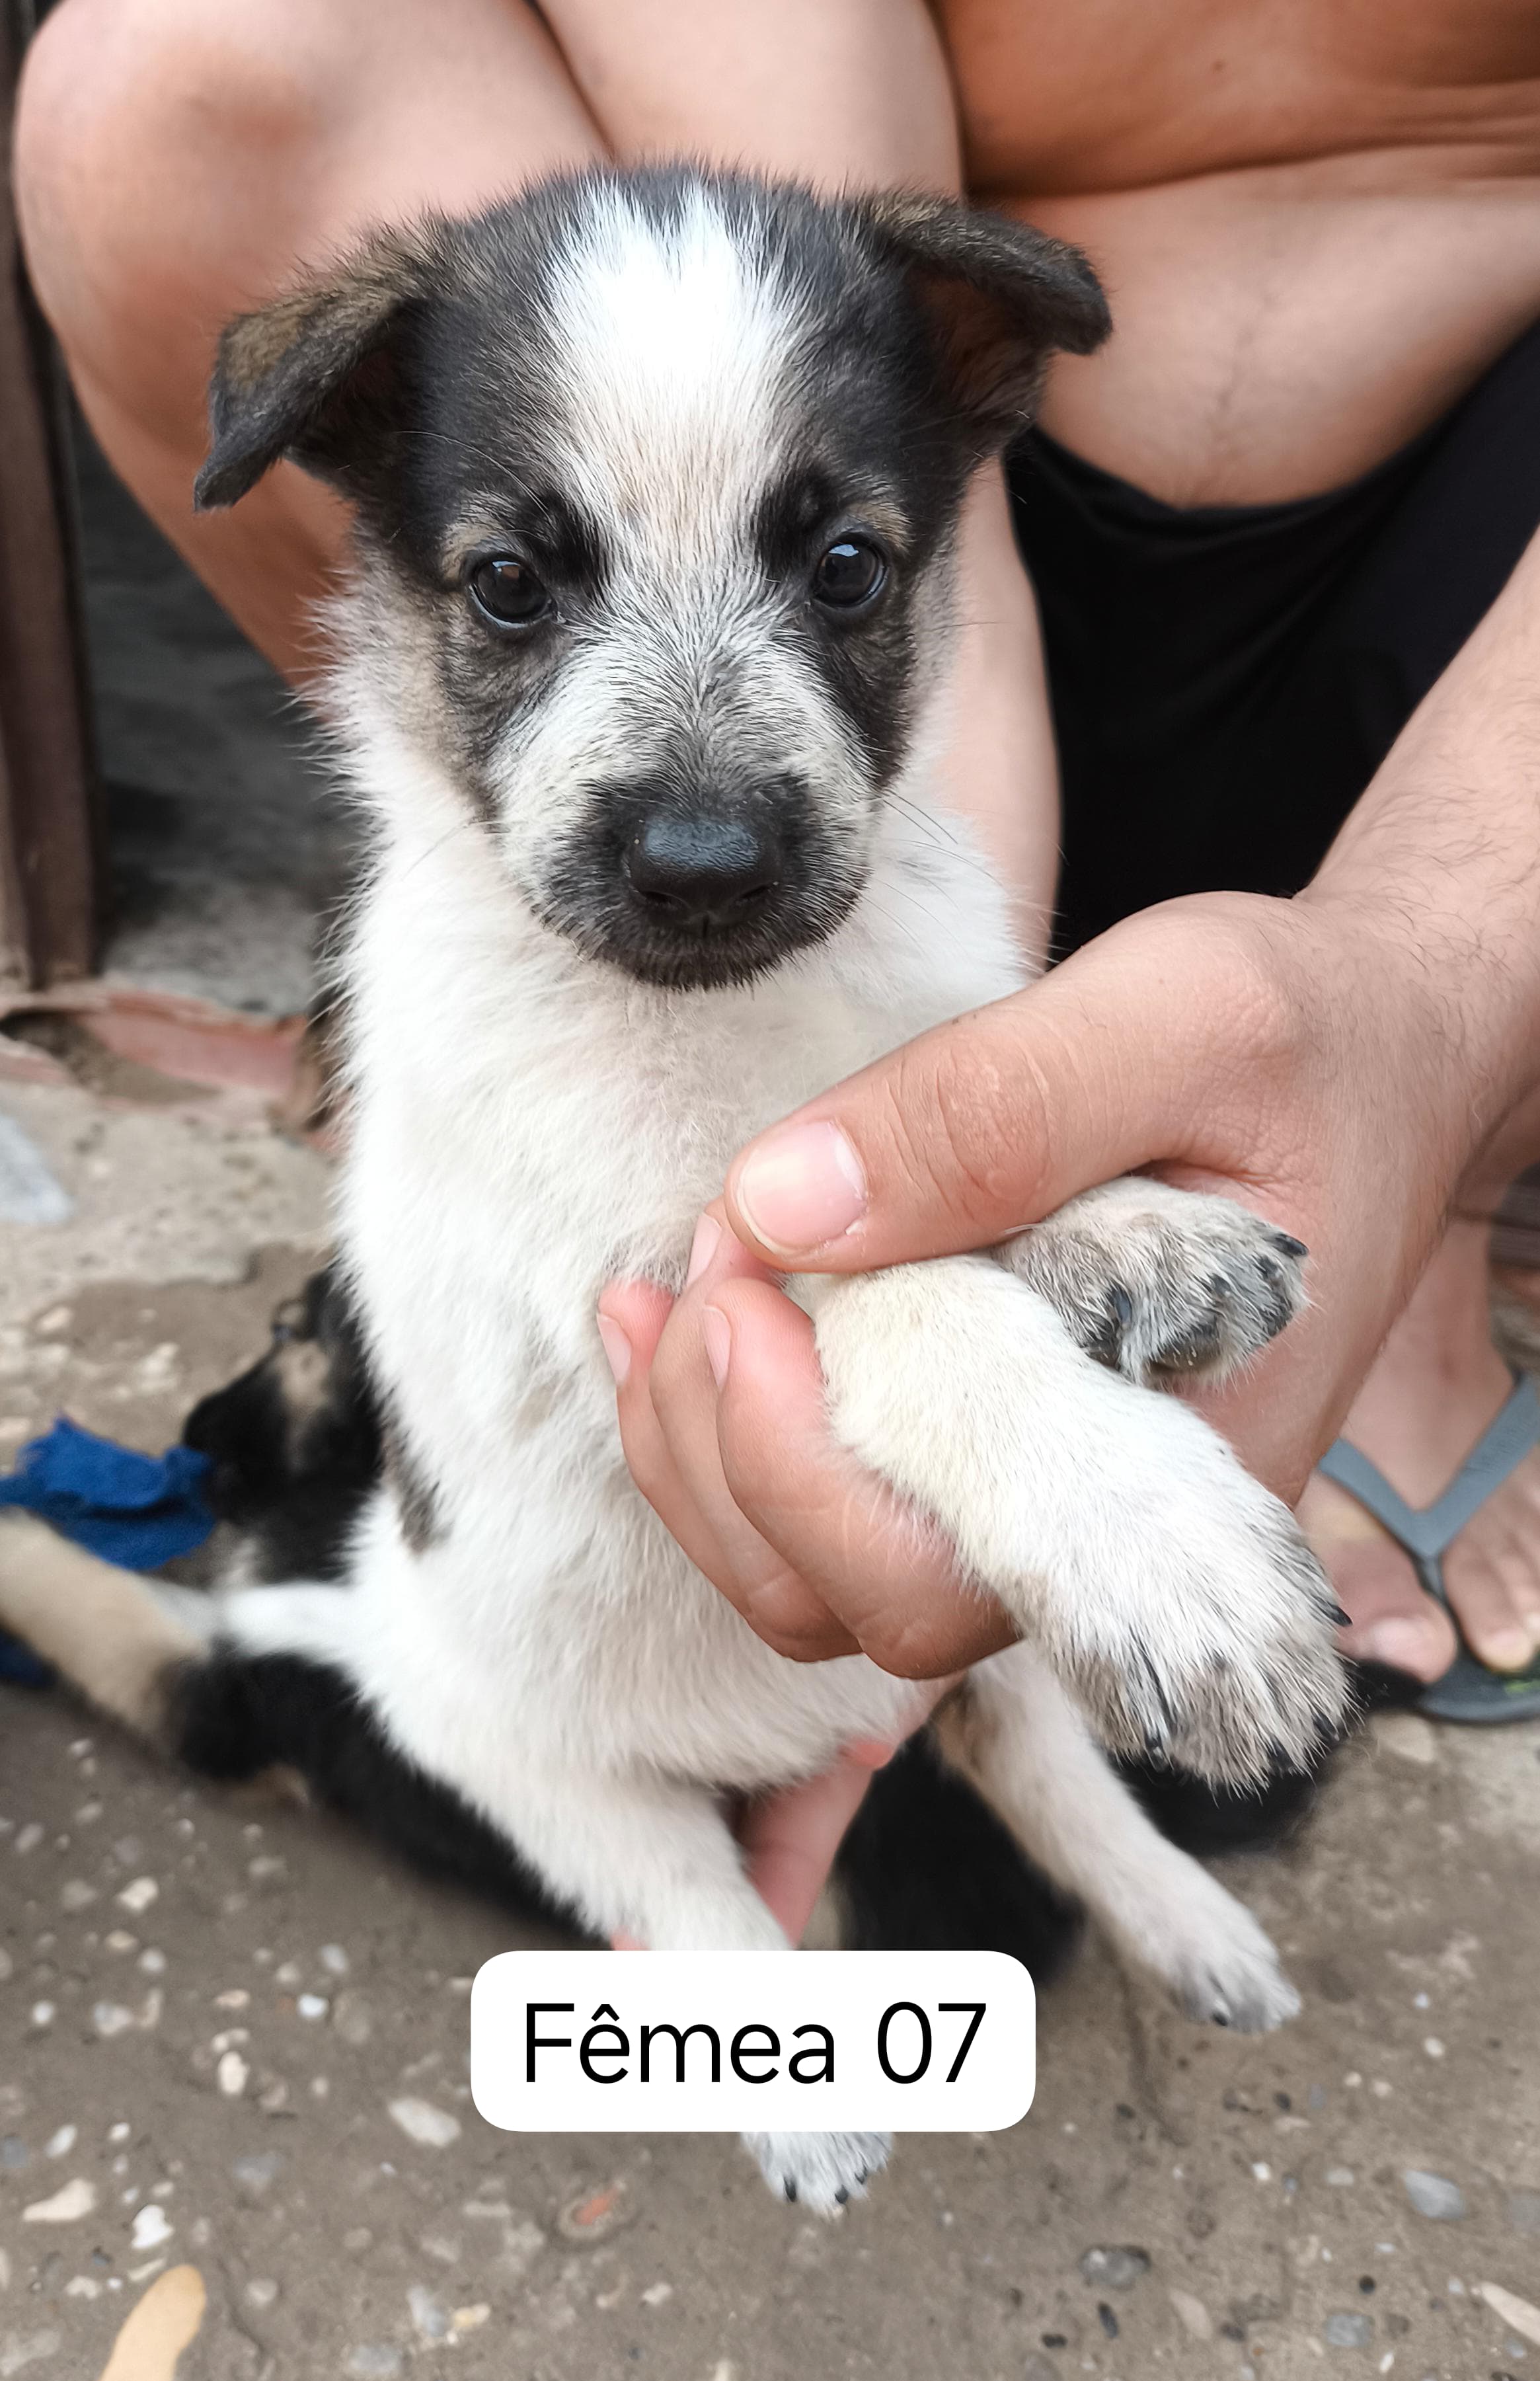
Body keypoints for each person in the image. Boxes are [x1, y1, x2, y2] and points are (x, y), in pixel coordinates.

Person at [16, 0, 1540, 1935]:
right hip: (967, 682)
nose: (701, 820)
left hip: (1456, 545)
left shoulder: (918, 385)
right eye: (513, 585)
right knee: (174, 73)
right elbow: (762, 1276)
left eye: (833, 574)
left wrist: (1424, 992)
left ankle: (1434, 1221)